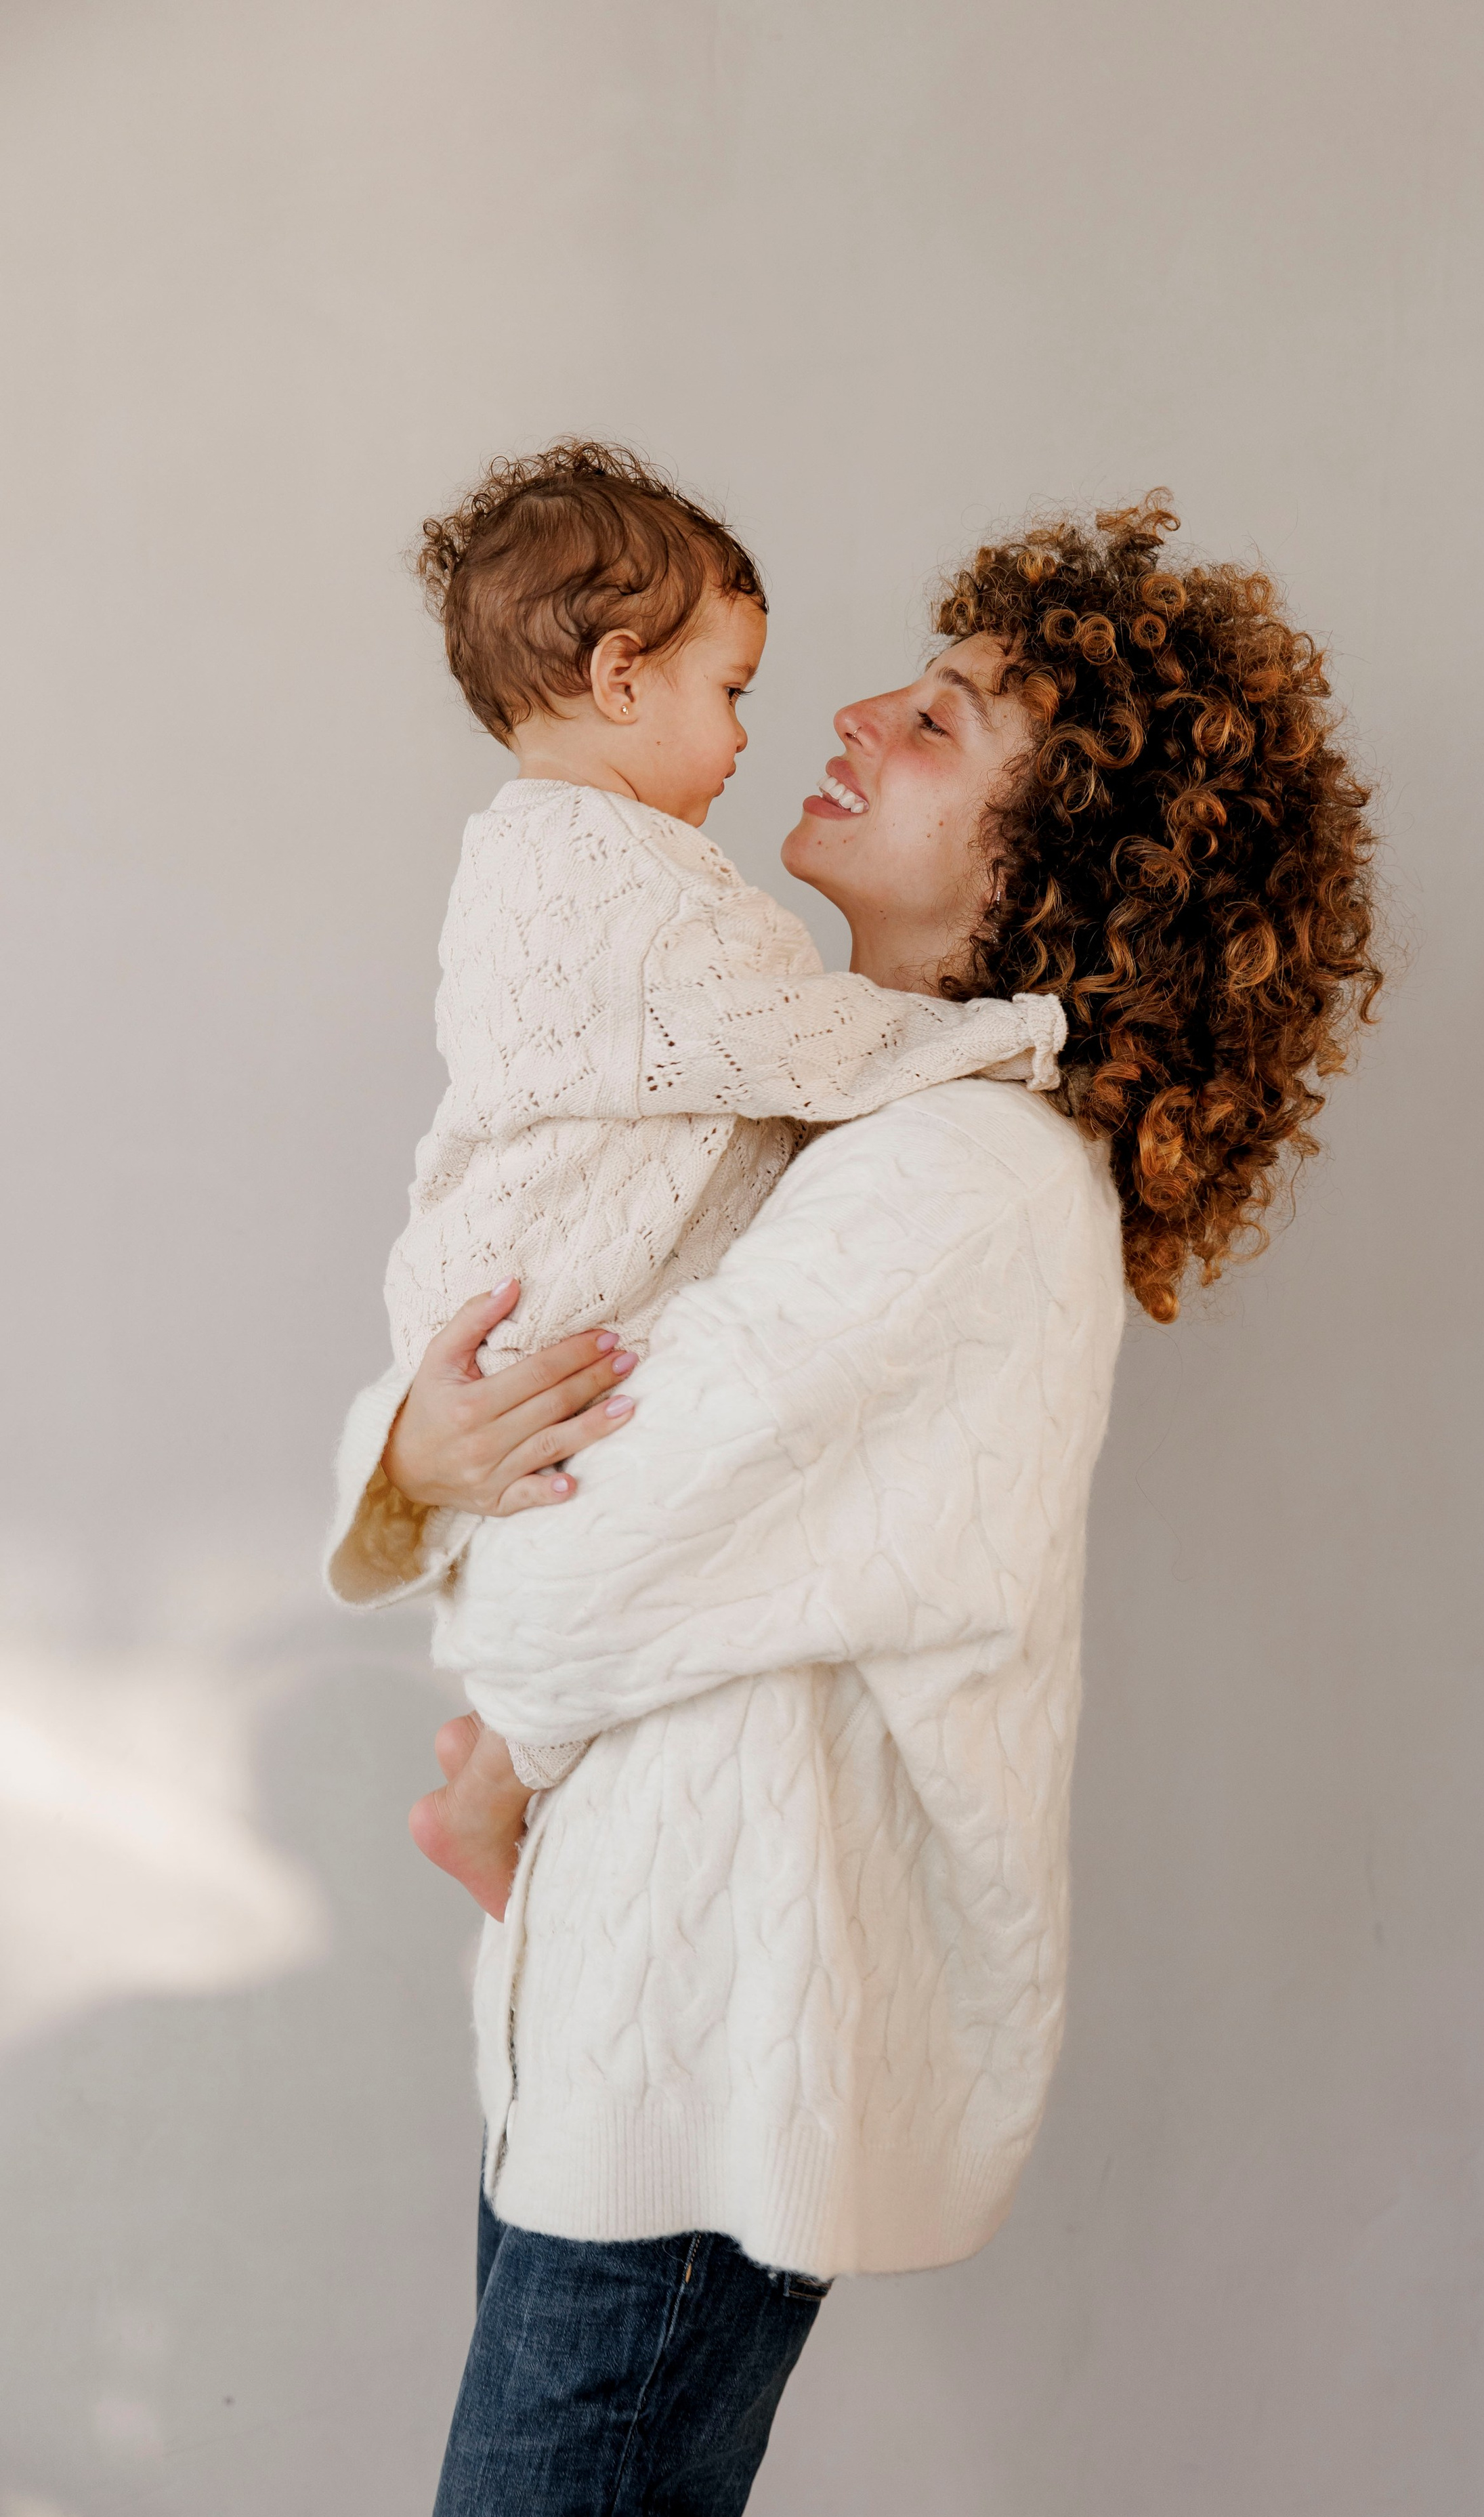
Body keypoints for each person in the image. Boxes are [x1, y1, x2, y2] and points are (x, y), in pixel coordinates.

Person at [325, 493, 1382, 2517]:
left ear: (1048, 856)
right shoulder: (838, 1138)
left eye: (947, 719)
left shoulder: (971, 1179)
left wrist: (451, 1510)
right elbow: (532, 1398)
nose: (858, 714)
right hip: (632, 2025)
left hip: (709, 2054)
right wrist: (427, 1449)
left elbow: (561, 1562)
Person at [337, 437, 1068, 1916]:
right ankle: (490, 1777)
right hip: (531, 1322)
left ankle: (489, 1774)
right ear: (621, 679)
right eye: (729, 691)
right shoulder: (628, 889)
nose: (779, 728)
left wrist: (417, 1453)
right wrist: (1010, 1032)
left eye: (934, 721)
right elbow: (789, 1039)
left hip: (679, 1886)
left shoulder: (967, 1178)